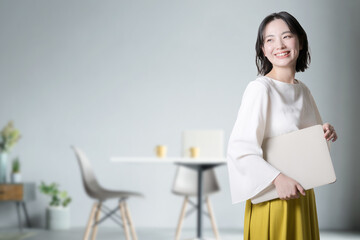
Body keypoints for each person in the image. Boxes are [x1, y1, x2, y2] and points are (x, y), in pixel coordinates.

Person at [227, 11, 338, 240]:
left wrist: (323, 136)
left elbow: (313, 154)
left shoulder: (303, 90)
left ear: (300, 41)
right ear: (263, 49)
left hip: (303, 195)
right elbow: (239, 149)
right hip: (273, 199)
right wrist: (277, 179)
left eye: (287, 36)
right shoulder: (260, 89)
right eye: (270, 39)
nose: (279, 44)